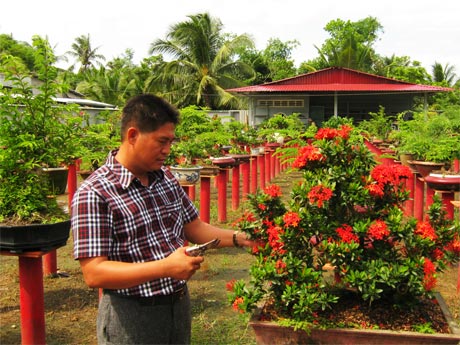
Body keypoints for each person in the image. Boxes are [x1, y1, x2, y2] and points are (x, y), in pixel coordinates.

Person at [71, 94, 256, 345]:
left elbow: (195, 227)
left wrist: (241, 238)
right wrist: (165, 267)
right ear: (133, 135)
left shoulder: (165, 178)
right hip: (131, 316)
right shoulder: (95, 193)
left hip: (177, 305)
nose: (168, 150)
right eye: (162, 141)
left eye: (171, 141)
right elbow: (95, 273)